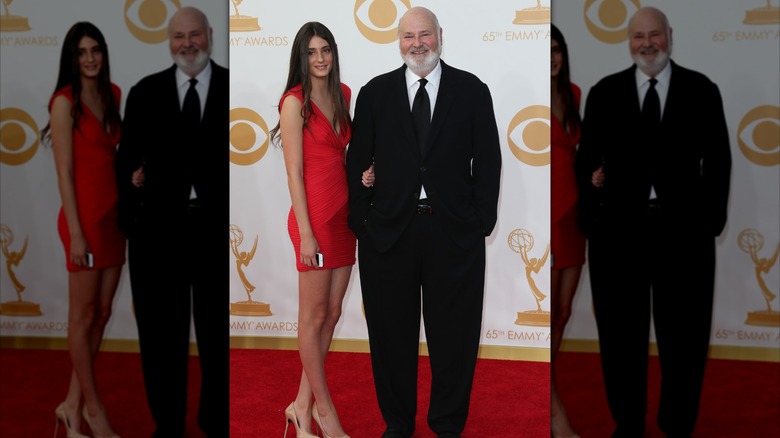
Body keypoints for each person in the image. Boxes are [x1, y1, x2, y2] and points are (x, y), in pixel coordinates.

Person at [345, 7, 502, 438]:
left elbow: (488, 161)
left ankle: (447, 424)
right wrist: (364, 223)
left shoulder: (472, 90)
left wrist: (479, 223)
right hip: (388, 236)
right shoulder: (374, 93)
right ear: (398, 42)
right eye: (408, 36)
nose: (417, 43)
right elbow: (356, 162)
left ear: (440, 36)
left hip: (453, 235)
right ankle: (398, 423)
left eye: (424, 35)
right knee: (390, 337)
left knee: (455, 337)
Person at [575, 7, 731, 437]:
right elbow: (586, 162)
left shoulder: (702, 90)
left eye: (655, 35)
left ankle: (677, 424)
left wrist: (709, 224)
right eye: (639, 36)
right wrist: (594, 223)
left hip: (684, 238)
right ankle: (628, 424)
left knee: (685, 339)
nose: (648, 44)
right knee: (620, 340)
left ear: (670, 36)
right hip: (618, 239)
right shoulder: (604, 93)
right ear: (629, 42)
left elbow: (718, 164)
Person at [115, 6, 229, 437]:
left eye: (195, 35)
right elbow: (126, 163)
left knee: (217, 339)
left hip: (215, 234)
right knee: (162, 340)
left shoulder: (232, 88)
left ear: (210, 35)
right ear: (169, 41)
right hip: (158, 238)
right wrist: (135, 220)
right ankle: (168, 425)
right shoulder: (144, 93)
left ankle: (217, 421)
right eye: (179, 36)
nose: (188, 44)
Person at [269, 21, 374, 438]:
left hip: (344, 217)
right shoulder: (294, 103)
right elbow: (294, 172)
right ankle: (325, 414)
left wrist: (365, 173)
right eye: (311, 52)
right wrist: (307, 234)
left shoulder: (344, 94)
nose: (319, 59)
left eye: (325, 50)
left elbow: (344, 155)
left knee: (331, 314)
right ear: (301, 57)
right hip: (312, 219)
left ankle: (300, 405)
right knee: (312, 318)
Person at [43, 21, 124, 438]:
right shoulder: (64, 103)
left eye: (96, 50)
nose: (90, 58)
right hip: (84, 222)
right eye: (82, 52)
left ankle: (71, 406)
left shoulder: (113, 95)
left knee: (103, 314)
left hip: (114, 221)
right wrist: (75, 233)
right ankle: (93, 410)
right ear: (72, 59)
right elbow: (65, 173)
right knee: (83, 317)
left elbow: (112, 158)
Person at [549, 24, 585, 438]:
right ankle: (554, 410)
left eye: (556, 49)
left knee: (563, 314)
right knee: (546, 320)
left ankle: (549, 390)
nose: (551, 57)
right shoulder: (531, 100)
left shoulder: (573, 94)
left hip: (576, 217)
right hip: (547, 219)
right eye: (543, 50)